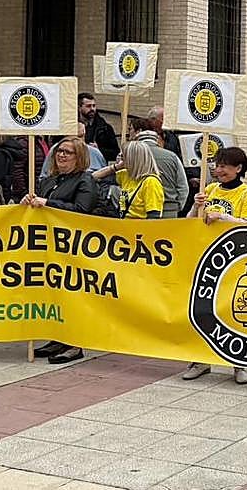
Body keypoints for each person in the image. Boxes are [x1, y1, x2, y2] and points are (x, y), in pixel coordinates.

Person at [183, 146, 247, 385]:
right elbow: (188, 223)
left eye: (225, 165)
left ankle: (239, 362)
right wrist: (196, 206)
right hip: (206, 259)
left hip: (233, 261)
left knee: (232, 311)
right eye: (218, 164)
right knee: (202, 309)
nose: (220, 169)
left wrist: (223, 217)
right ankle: (201, 359)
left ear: (239, 168)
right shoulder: (209, 190)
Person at [24, 137, 98, 366]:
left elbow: (81, 210)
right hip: (50, 248)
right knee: (54, 293)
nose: (61, 155)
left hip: (73, 249)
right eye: (59, 151)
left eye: (68, 152)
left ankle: (74, 344)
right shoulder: (50, 180)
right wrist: (28, 201)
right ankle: (58, 336)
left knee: (72, 294)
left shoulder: (86, 181)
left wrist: (48, 204)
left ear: (80, 157)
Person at [93, 140, 165, 219]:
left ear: (132, 159)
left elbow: (154, 217)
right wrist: (115, 167)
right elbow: (94, 177)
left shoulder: (151, 182)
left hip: (138, 229)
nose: (121, 161)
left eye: (123, 158)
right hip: (123, 227)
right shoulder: (126, 175)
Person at [130, 122, 189, 218]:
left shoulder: (132, 157)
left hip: (139, 210)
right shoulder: (172, 156)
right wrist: (178, 206)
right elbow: (183, 186)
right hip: (169, 208)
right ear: (157, 140)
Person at [41, 122, 106, 177]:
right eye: (75, 137)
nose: (79, 141)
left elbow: (105, 181)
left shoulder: (95, 152)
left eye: (81, 136)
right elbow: (44, 176)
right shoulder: (56, 149)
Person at [78, 92, 120, 161]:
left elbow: (115, 153)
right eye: (88, 106)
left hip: (98, 166)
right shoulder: (70, 126)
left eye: (94, 106)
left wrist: (98, 149)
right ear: (79, 107)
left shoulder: (105, 128)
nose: (92, 109)